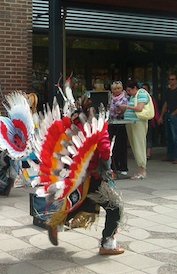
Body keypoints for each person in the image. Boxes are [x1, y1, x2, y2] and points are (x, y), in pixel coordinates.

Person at [32, 96, 125, 255]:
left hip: (77, 179)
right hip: (93, 177)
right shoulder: (96, 127)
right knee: (115, 207)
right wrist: (107, 168)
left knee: (83, 203)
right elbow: (104, 151)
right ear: (93, 111)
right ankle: (107, 245)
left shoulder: (73, 125)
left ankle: (55, 222)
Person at [119, 79, 149, 180]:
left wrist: (127, 107)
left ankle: (142, 170)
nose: (128, 93)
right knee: (134, 145)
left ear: (135, 88)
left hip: (138, 122)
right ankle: (140, 169)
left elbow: (140, 108)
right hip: (130, 122)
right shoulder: (133, 96)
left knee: (139, 145)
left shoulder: (141, 94)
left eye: (129, 90)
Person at [158, 74, 177, 164]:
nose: (171, 81)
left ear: (176, 80)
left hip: (175, 115)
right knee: (168, 136)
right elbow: (165, 104)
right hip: (168, 114)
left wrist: (174, 113)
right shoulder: (168, 91)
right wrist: (161, 116)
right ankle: (170, 155)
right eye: (169, 79)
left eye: (173, 79)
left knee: (175, 137)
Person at [108, 81, 129, 177]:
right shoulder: (110, 98)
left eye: (118, 88)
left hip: (122, 122)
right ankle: (112, 166)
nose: (117, 91)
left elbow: (126, 109)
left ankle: (123, 167)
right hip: (112, 123)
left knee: (122, 145)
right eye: (115, 89)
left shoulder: (125, 98)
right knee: (112, 146)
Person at [141, 83, 160, 160]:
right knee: (141, 138)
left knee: (148, 137)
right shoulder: (137, 98)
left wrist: (157, 119)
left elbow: (155, 109)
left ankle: (148, 154)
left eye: (145, 89)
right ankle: (142, 154)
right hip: (140, 120)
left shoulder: (150, 99)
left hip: (148, 119)